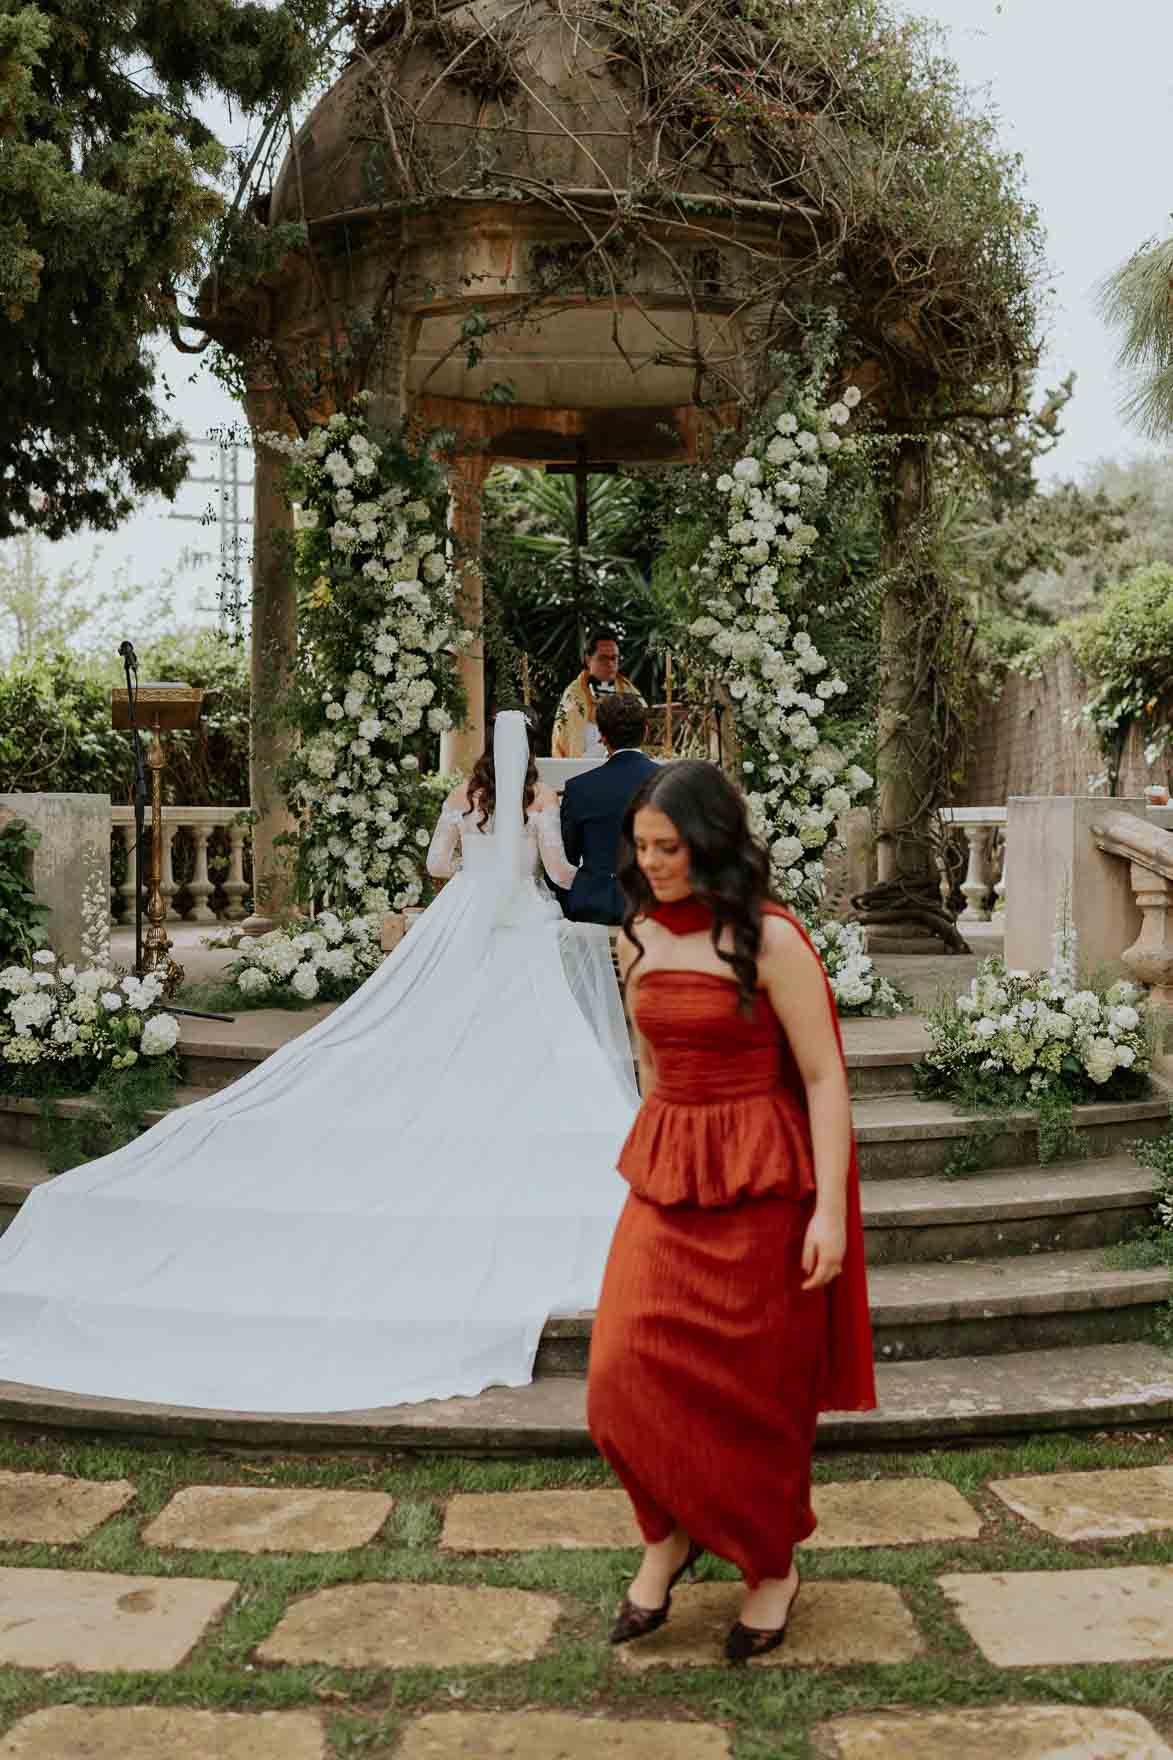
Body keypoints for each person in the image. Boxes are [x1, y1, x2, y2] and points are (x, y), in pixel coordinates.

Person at [0, 713, 638, 1415]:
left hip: (464, 917)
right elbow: (554, 871)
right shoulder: (542, 803)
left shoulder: (465, 797)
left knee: (443, 1024)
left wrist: (474, 867)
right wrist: (585, 875)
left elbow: (434, 867)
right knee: (537, 1039)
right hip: (522, 924)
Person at [586, 760, 875, 1664]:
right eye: (641, 847)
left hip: (761, 1182)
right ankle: (667, 1535)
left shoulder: (772, 939)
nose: (652, 862)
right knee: (618, 1375)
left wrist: (828, 1211)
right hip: (670, 1171)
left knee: (754, 1394)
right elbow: (645, 1055)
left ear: (709, 843)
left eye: (667, 847)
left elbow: (825, 1078)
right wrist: (660, 1137)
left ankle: (768, 1567)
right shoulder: (634, 934)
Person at [560, 694, 658, 926]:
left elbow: (567, 858)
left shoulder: (579, 788)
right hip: (652, 904)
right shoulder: (669, 783)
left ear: (602, 737)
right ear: (646, 731)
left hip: (593, 906)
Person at [552, 627, 645, 759]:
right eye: (603, 658)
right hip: (584, 764)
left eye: (614, 658)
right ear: (588, 659)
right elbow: (570, 746)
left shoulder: (628, 690)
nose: (610, 664)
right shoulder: (573, 696)